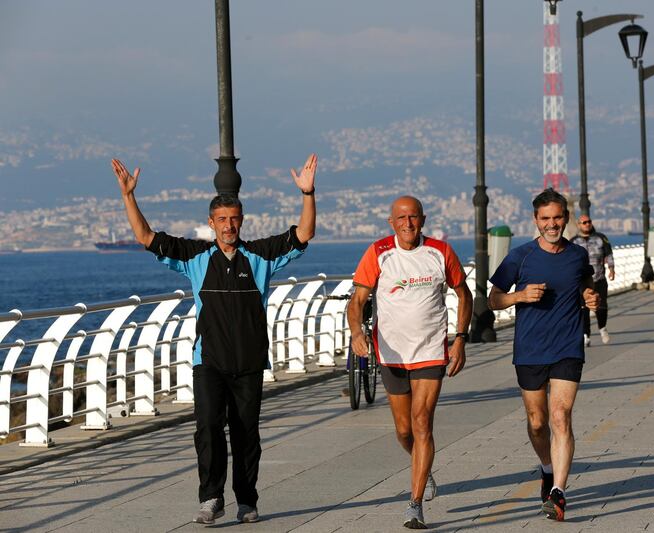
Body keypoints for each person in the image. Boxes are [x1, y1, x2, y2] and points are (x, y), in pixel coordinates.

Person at [111, 155, 318, 525]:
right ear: (211, 223)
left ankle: (246, 500)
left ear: (242, 221)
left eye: (234, 219)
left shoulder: (260, 256)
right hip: (208, 361)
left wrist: (308, 193)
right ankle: (210, 497)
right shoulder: (195, 257)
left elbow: (303, 234)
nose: (228, 225)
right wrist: (129, 196)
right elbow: (145, 237)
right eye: (221, 220)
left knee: (245, 434)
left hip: (250, 362)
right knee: (207, 426)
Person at [347, 196, 473, 529]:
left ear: (423, 219)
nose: (408, 223)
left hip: (431, 351)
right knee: (404, 432)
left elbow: (464, 294)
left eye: (413, 217)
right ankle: (424, 467)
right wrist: (357, 332)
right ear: (391, 222)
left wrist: (460, 339)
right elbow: (357, 300)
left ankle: (414, 503)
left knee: (421, 423)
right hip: (392, 355)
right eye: (401, 218)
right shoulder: (378, 252)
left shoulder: (440, 252)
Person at [488, 188, 598, 522]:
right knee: (538, 423)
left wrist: (589, 296)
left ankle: (559, 493)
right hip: (530, 349)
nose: (552, 224)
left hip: (567, 346)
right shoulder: (520, 257)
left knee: (561, 416)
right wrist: (519, 296)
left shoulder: (578, 256)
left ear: (566, 218)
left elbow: (585, 286)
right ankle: (547, 469)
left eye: (558, 218)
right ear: (536, 220)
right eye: (545, 218)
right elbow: (493, 300)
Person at [570, 214, 615, 345]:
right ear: (579, 224)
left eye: (588, 222)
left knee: (601, 306)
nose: (587, 224)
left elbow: (609, 253)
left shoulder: (601, 238)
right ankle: (586, 335)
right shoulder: (573, 242)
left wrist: (611, 268)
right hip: (582, 281)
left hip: (599, 278)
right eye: (583, 222)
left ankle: (602, 328)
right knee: (584, 308)